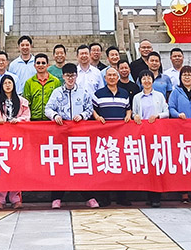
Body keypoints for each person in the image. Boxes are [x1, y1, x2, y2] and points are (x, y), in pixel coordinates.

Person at [45, 65, 96, 209]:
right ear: (63, 76)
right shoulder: (57, 92)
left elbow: (89, 109)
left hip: (79, 135)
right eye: (67, 76)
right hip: (61, 134)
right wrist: (55, 115)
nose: (70, 78)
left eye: (73, 75)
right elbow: (48, 108)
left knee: (80, 165)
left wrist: (82, 115)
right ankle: (56, 198)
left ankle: (89, 197)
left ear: (76, 76)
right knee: (61, 166)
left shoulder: (83, 92)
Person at [92, 67, 133, 206]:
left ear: (118, 77)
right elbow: (92, 109)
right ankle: (105, 198)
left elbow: (128, 108)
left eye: (114, 75)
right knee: (105, 165)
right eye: (109, 75)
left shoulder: (124, 93)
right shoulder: (98, 94)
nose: (111, 77)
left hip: (120, 136)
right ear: (105, 78)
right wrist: (97, 117)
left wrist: (128, 115)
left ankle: (122, 197)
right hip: (104, 136)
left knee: (121, 165)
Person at [0, 75, 30, 209]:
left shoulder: (22, 101)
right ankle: (0, 198)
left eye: (9, 83)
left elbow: (27, 117)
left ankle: (15, 197)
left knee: (16, 168)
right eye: (5, 83)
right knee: (2, 167)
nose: (7, 85)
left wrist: (18, 120)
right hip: (2, 139)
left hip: (17, 139)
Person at [168, 66, 191, 204]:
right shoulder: (175, 92)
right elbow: (171, 108)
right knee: (183, 161)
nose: (187, 77)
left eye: (189, 75)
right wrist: (178, 115)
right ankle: (184, 191)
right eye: (184, 75)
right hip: (181, 131)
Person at [131, 70, 169, 207]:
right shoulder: (137, 97)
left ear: (153, 81)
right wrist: (135, 116)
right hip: (143, 135)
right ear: (140, 82)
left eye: (149, 78)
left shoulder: (159, 95)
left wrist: (158, 116)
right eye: (144, 79)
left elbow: (166, 112)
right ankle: (148, 195)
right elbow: (134, 112)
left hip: (157, 134)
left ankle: (156, 197)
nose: (146, 81)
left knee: (156, 164)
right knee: (146, 164)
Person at [22, 55, 61, 119]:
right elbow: (27, 103)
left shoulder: (56, 81)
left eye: (43, 63)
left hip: (51, 119)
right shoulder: (29, 83)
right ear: (34, 65)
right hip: (34, 119)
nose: (40, 65)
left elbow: (59, 102)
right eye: (38, 63)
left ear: (48, 65)